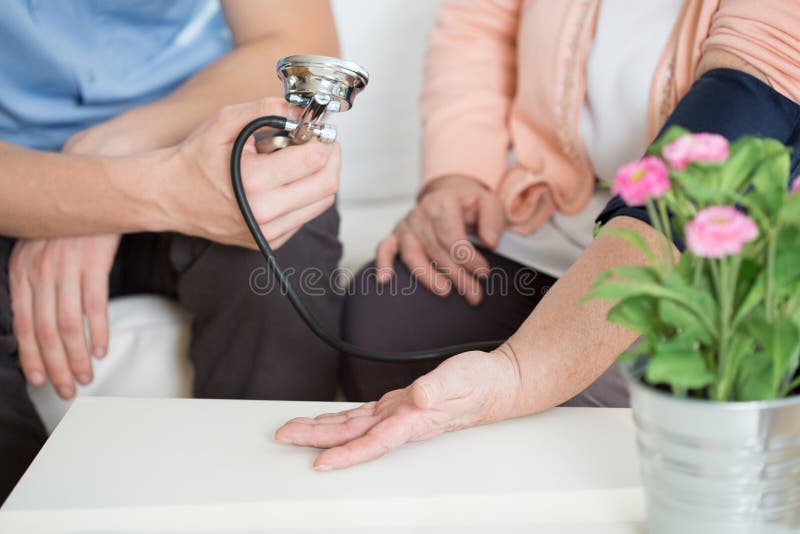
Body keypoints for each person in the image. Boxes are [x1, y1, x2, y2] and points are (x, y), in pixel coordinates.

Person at [275, 0, 800, 470]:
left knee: (614, 399)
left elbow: (705, 173)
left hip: (710, 266)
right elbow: (480, 23)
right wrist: (458, 175)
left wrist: (522, 373)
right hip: (548, 209)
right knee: (389, 314)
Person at [1, 0, 342, 500]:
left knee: (280, 253)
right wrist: (102, 195)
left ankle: (269, 509)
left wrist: (116, 147)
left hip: (184, 137)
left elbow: (292, 41)